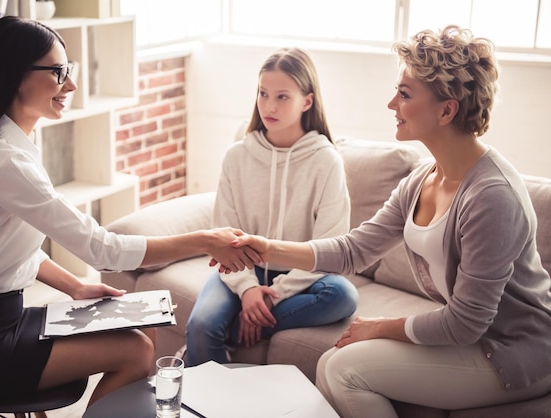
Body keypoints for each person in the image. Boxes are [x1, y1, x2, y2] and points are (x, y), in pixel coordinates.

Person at [0, 16, 259, 408]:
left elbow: (5, 248)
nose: (71, 85)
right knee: (135, 351)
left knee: (142, 331)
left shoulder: (4, 148)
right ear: (16, 75)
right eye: (59, 72)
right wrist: (204, 240)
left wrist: (76, 288)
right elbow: (103, 249)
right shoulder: (4, 162)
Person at [226, 26, 551, 416]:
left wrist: (382, 326)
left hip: (513, 352)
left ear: (446, 110)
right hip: (475, 339)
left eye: (405, 93)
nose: (391, 103)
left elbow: (466, 323)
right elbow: (354, 249)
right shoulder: (423, 178)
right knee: (330, 361)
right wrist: (267, 248)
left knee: (346, 370)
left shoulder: (492, 197)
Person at [185, 48, 359, 367]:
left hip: (302, 270)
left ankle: (235, 329)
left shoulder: (326, 161)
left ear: (306, 101)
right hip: (240, 267)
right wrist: (249, 289)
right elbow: (224, 232)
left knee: (343, 296)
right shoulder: (237, 156)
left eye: (282, 97)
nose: (268, 106)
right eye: (263, 94)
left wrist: (272, 293)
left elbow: (330, 246)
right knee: (199, 325)